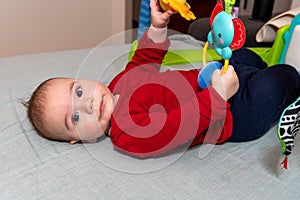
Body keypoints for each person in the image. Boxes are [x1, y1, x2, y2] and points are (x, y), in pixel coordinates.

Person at [25, 0, 300, 158]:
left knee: (247, 56)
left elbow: (144, 60)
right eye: (74, 119)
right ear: (78, 139)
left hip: (216, 76)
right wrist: (217, 97)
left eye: (79, 92)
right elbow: (180, 126)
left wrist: (157, 29)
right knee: (281, 79)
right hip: (232, 115)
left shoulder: (116, 83)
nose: (86, 105)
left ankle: (259, 67)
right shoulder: (127, 134)